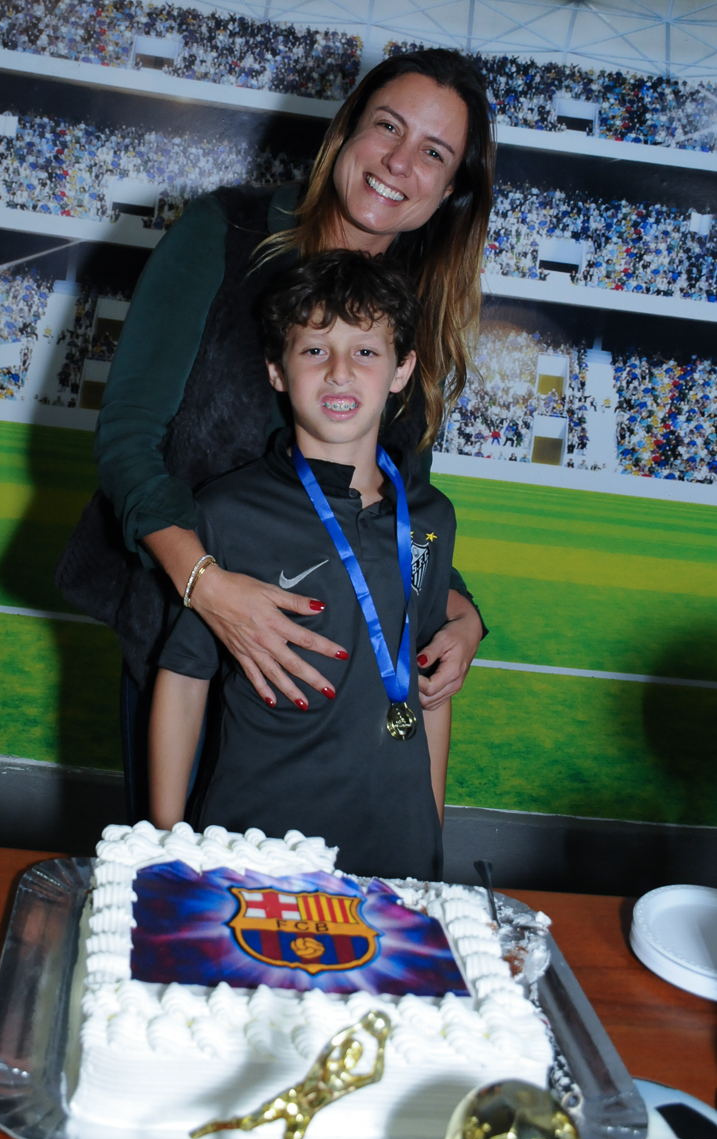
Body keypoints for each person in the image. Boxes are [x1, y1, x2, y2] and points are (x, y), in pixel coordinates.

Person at [56, 48, 494, 816]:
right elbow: (128, 439)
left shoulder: (417, 313)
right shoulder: (222, 233)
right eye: (386, 127)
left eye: (433, 152)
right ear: (346, 129)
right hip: (185, 630)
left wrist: (461, 616)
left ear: (452, 189)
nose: (399, 162)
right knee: (186, 892)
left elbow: (393, 505)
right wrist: (209, 589)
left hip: (324, 669)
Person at [148, 251, 458, 881]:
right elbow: (183, 682)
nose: (340, 372)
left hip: (395, 851)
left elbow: (429, 689)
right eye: (314, 350)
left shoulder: (430, 517)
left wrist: (429, 833)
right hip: (255, 844)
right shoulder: (227, 511)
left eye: (366, 352)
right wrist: (162, 845)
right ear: (277, 371)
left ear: (403, 370)